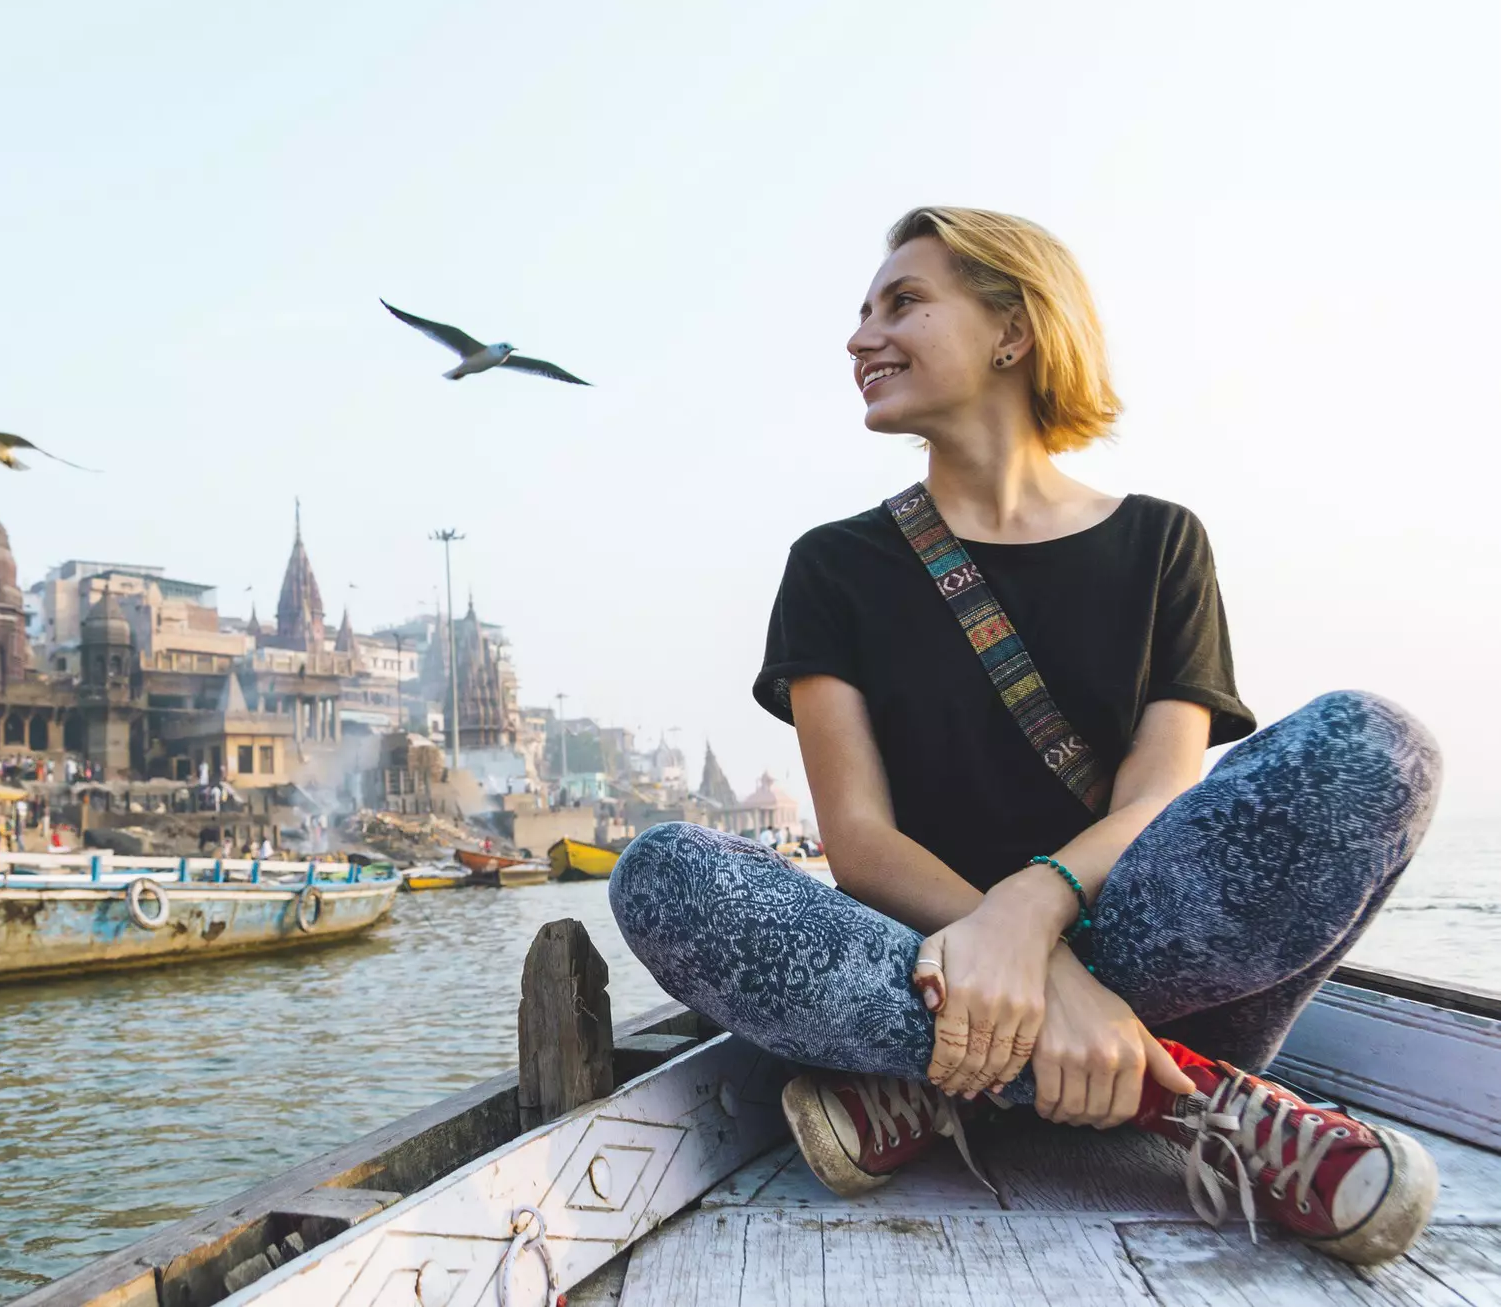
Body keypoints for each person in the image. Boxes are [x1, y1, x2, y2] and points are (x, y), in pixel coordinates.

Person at [608, 206, 1442, 1266]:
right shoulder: (834, 565)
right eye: (861, 313)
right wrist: (1041, 981)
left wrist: (1033, 917)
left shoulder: (1162, 542)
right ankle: (1183, 1095)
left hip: (1129, 937)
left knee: (1377, 747)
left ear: (1013, 326)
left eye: (902, 303)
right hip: (924, 960)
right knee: (664, 872)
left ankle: (947, 1092)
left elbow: (1154, 801)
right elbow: (859, 844)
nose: (861, 337)